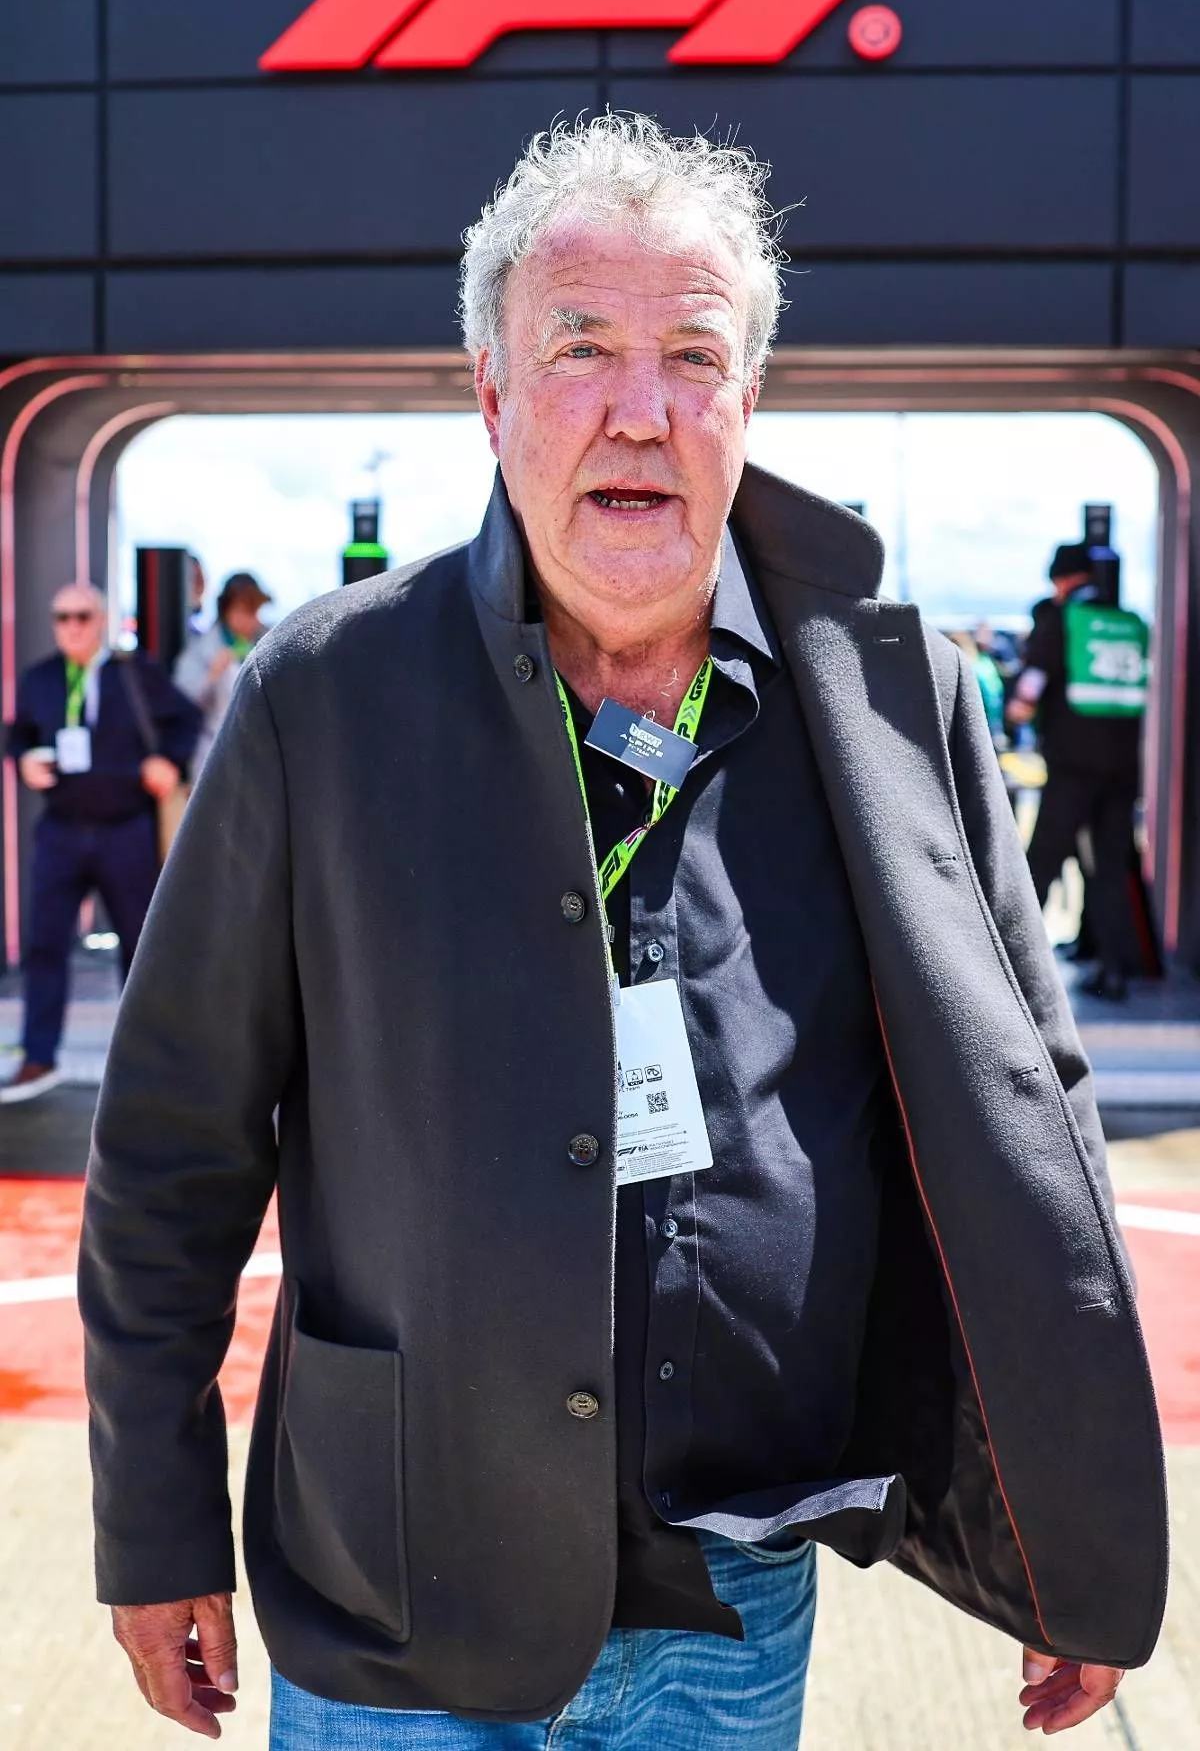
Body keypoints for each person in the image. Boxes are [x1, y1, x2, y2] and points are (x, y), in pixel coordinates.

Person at [80, 116, 1165, 1749]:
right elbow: (171, 1148)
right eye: (580, 349)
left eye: (692, 355)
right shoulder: (320, 698)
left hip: (733, 1591)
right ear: (493, 395)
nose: (639, 407)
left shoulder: (891, 699)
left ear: (748, 399)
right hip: (391, 1593)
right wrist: (155, 1525)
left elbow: (1037, 1115)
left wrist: (1070, 1537)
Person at [2, 583, 199, 1103]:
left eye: (82, 616)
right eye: (61, 616)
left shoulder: (135, 673)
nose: (72, 625)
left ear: (102, 620)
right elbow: (18, 734)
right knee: (44, 946)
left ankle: (153, 1061)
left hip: (125, 829)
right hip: (62, 829)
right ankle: (38, 1058)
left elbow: (187, 719)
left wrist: (169, 761)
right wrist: (23, 760)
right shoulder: (41, 678)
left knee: (141, 949)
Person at [1008, 542, 1148, 1002]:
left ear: (1064, 579)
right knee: (1108, 868)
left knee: (1041, 862)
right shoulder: (1130, 624)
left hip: (1072, 765)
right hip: (1124, 767)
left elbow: (1028, 692)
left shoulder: (1062, 619)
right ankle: (1114, 971)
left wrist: (1018, 713)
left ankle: (1014, 971)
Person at [173, 571, 272, 777]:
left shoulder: (270, 640)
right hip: (215, 750)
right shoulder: (202, 648)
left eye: (255, 611)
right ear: (227, 610)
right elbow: (181, 701)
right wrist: (211, 675)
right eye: (245, 610)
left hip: (261, 752)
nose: (251, 620)